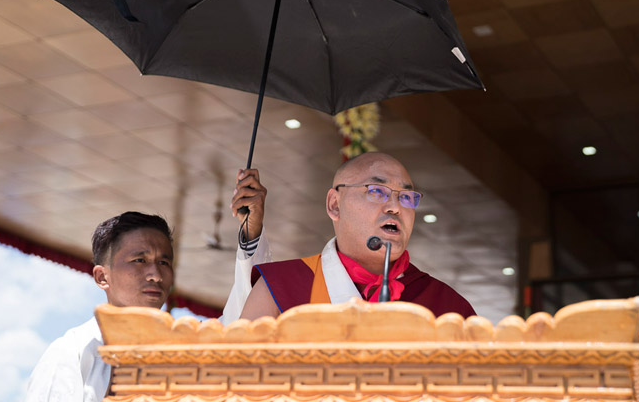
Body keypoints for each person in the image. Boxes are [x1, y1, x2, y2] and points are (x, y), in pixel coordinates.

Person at [25, 170, 268, 401]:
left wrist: (251, 230)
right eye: (139, 260)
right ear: (102, 277)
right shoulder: (73, 352)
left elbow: (245, 321)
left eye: (164, 262)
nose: (155, 274)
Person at [240, 152, 475, 320]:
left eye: (406, 197)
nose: (395, 207)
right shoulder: (283, 285)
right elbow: (240, 379)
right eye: (377, 191)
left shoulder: (446, 307)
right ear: (334, 204)